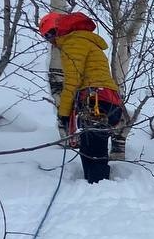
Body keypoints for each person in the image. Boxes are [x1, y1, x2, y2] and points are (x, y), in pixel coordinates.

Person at [38, 11, 127, 183]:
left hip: (95, 100)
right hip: (106, 100)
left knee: (92, 151)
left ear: (59, 30)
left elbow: (72, 80)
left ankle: (99, 191)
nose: (50, 40)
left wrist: (63, 113)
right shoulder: (84, 40)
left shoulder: (73, 43)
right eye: (46, 37)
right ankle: (96, 186)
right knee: (90, 147)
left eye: (49, 35)